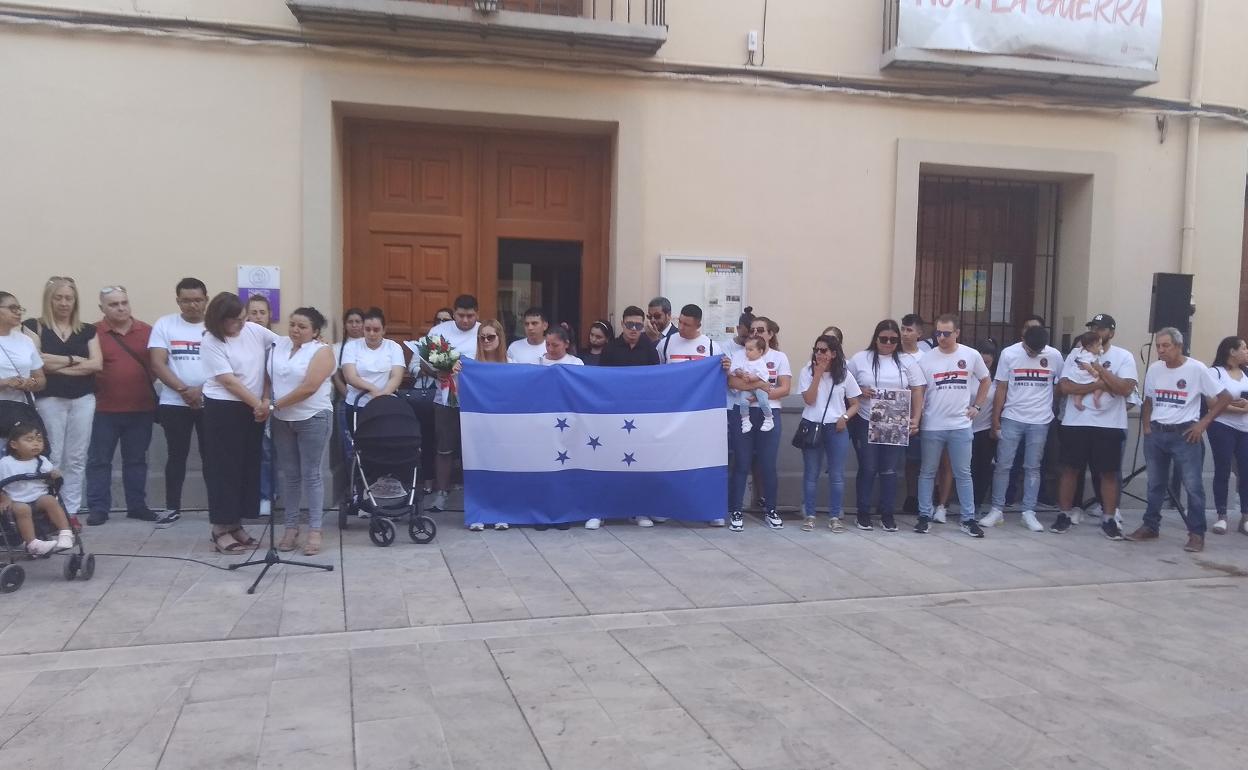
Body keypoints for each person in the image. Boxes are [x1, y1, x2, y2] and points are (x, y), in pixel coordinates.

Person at [1133, 327, 1231, 553]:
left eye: (1166, 346)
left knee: (1193, 486)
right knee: (1155, 484)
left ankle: (1196, 534)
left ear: (1178, 346)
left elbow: (1224, 397)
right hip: (1157, 433)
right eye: (1158, 346)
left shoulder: (1197, 369)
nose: (1161, 350)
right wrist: (1146, 427)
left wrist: (1203, 423)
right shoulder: (1155, 369)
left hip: (1185, 433)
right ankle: (1150, 526)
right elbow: (1148, 400)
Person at [200, 292, 279, 553]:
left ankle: (237, 524)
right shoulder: (211, 341)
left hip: (253, 409)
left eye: (243, 318)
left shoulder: (255, 331)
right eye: (235, 321)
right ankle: (220, 528)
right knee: (224, 469)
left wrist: (265, 398)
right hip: (223, 409)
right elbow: (228, 380)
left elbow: (279, 351)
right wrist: (257, 404)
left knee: (247, 467)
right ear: (220, 320)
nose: (242, 324)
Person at [1048, 313, 1137, 538]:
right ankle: (1065, 514)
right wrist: (1100, 385)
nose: (1096, 331)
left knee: (1108, 472)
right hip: (1076, 422)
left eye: (1101, 328)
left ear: (1111, 332)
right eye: (1093, 327)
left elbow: (1125, 389)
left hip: (1109, 424)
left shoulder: (1123, 356)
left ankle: (1109, 518)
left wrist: (1099, 368)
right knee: (1069, 470)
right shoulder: (1076, 355)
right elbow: (1065, 387)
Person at [22, 277, 100, 516]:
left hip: (83, 399)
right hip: (50, 399)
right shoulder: (33, 326)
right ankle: (52, 510)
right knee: (52, 454)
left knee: (77, 456)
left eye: (69, 298)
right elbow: (37, 362)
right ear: (49, 299)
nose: (64, 303)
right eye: (59, 297)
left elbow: (96, 364)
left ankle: (72, 511)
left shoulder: (87, 330)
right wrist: (74, 360)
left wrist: (54, 363)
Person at [86, 286, 162, 526]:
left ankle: (137, 506)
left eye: (124, 302)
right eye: (113, 304)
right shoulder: (92, 332)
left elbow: (158, 365)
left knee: (137, 460)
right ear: (102, 308)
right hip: (103, 409)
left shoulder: (148, 331)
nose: (120, 308)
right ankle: (98, 508)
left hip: (141, 408)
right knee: (99, 461)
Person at [980, 325, 1063, 531]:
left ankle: (1028, 511)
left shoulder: (1055, 356)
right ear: (1022, 339)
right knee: (1003, 465)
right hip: (1012, 417)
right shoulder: (1009, 354)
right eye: (1029, 350)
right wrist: (996, 419)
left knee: (1033, 467)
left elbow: (1059, 385)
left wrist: (1051, 409)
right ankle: (997, 510)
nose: (1032, 354)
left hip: (1040, 420)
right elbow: (1002, 387)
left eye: (1037, 351)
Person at [915, 314, 990, 538]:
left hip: (960, 424)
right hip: (932, 424)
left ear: (957, 333)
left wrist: (977, 406)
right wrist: (916, 418)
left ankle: (968, 518)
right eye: (938, 333)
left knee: (963, 473)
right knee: (928, 472)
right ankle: (924, 515)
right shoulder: (926, 359)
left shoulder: (970, 355)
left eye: (947, 333)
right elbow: (919, 390)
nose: (942, 338)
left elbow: (985, 380)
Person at [847, 319, 924, 532]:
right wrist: (860, 390)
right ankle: (863, 513)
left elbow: (918, 389)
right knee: (868, 467)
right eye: (884, 339)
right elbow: (845, 381)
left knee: (889, 469)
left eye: (893, 339)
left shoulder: (907, 360)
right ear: (876, 338)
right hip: (865, 419)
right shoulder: (861, 358)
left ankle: (887, 514)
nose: (888, 343)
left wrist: (915, 418)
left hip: (895, 421)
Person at [270, 307, 335, 556]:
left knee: (311, 475)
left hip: (312, 417)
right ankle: (290, 528)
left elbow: (309, 387)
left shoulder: (322, 351)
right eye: (293, 324)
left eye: (303, 326)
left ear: (315, 332)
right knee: (290, 475)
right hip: (281, 419)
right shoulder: (278, 344)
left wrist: (275, 405)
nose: (295, 330)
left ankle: (315, 530)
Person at [148, 277, 209, 524]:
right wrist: (184, 390)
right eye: (186, 300)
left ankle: (218, 507)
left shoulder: (216, 326)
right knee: (176, 456)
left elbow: (228, 364)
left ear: (206, 300)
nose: (192, 305)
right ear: (178, 301)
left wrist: (202, 391)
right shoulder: (165, 324)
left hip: (211, 401)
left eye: (197, 300)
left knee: (212, 456)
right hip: (174, 402)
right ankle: (172, 507)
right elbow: (157, 363)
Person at [728, 312, 791, 532]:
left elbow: (785, 387)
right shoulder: (739, 355)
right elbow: (733, 382)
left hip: (768, 413)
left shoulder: (779, 357)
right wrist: (760, 387)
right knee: (742, 462)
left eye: (760, 330)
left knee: (767, 464)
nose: (755, 334)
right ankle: (735, 509)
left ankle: (771, 509)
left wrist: (764, 393)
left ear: (771, 334)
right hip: (742, 412)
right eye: (752, 330)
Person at [797, 335, 861, 532]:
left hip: (836, 427)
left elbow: (855, 404)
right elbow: (809, 399)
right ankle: (809, 515)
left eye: (823, 350)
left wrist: (844, 417)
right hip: (812, 425)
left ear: (833, 353)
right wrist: (817, 375)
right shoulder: (807, 371)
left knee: (836, 474)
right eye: (816, 349)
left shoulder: (844, 375)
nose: (819, 354)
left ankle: (835, 516)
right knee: (811, 473)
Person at [424, 294, 480, 514]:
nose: (465, 321)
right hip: (446, 398)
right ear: (454, 313)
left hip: (477, 401)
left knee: (477, 448)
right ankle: (442, 493)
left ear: (477, 313)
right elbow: (424, 364)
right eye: (461, 315)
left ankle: (477, 494)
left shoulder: (484, 332)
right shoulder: (439, 332)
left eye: (470, 316)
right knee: (444, 447)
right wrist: (440, 370)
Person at [0, 423, 75, 555]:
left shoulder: (42, 461)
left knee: (50, 500)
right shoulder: (5, 463)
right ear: (14, 445)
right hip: (15, 500)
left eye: (39, 440)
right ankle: (33, 543)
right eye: (29, 440)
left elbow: (54, 478)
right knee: (23, 509)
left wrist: (55, 475)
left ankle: (65, 533)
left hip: (38, 498)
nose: (36, 443)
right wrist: (4, 499)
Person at [466, 320, 512, 532]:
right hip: (478, 424)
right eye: (481, 337)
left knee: (503, 469)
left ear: (500, 338)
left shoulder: (512, 364)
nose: (485, 341)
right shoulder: (470, 365)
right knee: (479, 467)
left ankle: (502, 512)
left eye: (490, 337)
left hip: (504, 425)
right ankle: (479, 512)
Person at [1207, 336, 1248, 536]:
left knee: (1246, 471)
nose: (1246, 351)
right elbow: (1213, 403)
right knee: (1223, 469)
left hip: (1245, 429)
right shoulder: (1215, 373)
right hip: (1222, 426)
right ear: (1232, 351)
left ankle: (1246, 517)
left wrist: (1243, 407)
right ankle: (1221, 516)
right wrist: (1238, 409)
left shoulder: (1247, 373)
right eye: (1244, 348)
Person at [246, 294, 278, 517]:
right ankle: (249, 495)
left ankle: (267, 495)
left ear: (269, 316)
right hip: (243, 403)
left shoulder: (276, 343)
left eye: (262, 313)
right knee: (248, 453)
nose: (257, 317)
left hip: (268, 404)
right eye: (253, 312)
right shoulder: (239, 340)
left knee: (267, 452)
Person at [0, 292, 46, 444]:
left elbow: (40, 379)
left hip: (20, 412)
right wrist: (5, 383)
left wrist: (30, 382)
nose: (18, 312)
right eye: (13, 308)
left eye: (19, 308)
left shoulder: (26, 340)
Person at [340, 307, 405, 414]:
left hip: (385, 403)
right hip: (357, 404)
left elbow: (396, 376)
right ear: (363, 329)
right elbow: (350, 377)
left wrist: (383, 395)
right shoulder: (351, 347)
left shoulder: (394, 347)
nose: (371, 333)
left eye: (376, 330)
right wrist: (372, 389)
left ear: (384, 330)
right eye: (367, 329)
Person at [899, 312, 931, 513]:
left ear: (919, 333)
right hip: (896, 414)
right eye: (903, 329)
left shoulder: (926, 358)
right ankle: (910, 496)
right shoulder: (895, 355)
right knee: (905, 461)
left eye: (909, 330)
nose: (904, 333)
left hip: (923, 415)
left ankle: (925, 498)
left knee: (922, 459)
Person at [730, 336, 775, 432]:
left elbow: (763, 375)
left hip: (760, 388)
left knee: (763, 400)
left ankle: (768, 418)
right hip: (748, 388)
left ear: (760, 351)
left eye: (750, 350)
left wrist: (751, 378)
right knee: (743, 402)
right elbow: (737, 370)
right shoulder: (745, 361)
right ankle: (745, 420)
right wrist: (740, 373)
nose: (747, 352)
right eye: (746, 349)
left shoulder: (761, 362)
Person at [1066, 332, 1108, 411]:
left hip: (1081, 375)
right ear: (1089, 347)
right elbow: (1085, 364)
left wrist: (1099, 351)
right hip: (1086, 375)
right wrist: (1093, 371)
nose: (1101, 347)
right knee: (1101, 382)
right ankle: (1096, 397)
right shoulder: (1087, 354)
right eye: (1098, 345)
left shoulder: (1091, 352)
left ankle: (1077, 401)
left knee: (1081, 389)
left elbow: (1099, 354)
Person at [331, 307, 365, 400]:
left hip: (370, 395)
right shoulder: (336, 348)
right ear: (345, 325)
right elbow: (336, 376)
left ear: (363, 324)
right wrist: (349, 396)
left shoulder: (370, 346)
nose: (354, 325)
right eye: (350, 322)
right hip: (345, 397)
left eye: (358, 321)